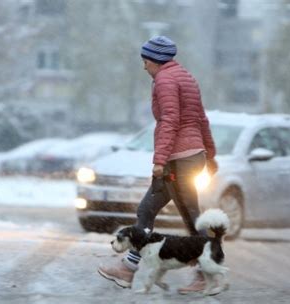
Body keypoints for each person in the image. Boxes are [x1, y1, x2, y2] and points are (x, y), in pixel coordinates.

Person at [97, 36, 218, 294]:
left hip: (179, 159)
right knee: (147, 209)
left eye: (145, 61)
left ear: (155, 60)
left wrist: (159, 161)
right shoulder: (186, 76)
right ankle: (128, 269)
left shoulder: (164, 79)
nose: (144, 67)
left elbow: (169, 121)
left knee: (191, 216)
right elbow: (201, 118)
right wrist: (210, 152)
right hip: (190, 155)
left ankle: (206, 273)